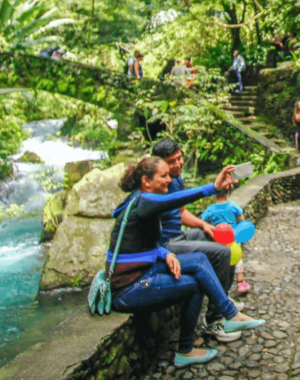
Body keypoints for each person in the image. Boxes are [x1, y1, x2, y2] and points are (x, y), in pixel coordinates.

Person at [107, 157, 265, 368]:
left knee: (199, 261)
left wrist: (165, 254)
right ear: (146, 181)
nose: (169, 181)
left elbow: (140, 245)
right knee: (193, 284)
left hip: (145, 271)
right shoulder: (144, 201)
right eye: (163, 176)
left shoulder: (142, 202)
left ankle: (220, 321)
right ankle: (202, 336)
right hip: (129, 289)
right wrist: (213, 188)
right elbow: (178, 199)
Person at [151, 139, 243, 342]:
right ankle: (214, 320)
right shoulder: (156, 184)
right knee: (222, 253)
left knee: (224, 239)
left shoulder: (175, 179)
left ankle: (222, 298)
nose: (178, 164)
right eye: (171, 161)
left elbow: (181, 212)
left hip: (180, 234)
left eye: (179, 158)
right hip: (167, 244)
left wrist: (203, 225)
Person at [200, 187, 251, 294]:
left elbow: (202, 222)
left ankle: (219, 285)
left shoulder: (210, 209)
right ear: (228, 192)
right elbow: (242, 220)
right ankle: (240, 283)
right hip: (233, 238)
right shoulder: (233, 205)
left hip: (218, 240)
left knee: (221, 262)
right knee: (237, 259)